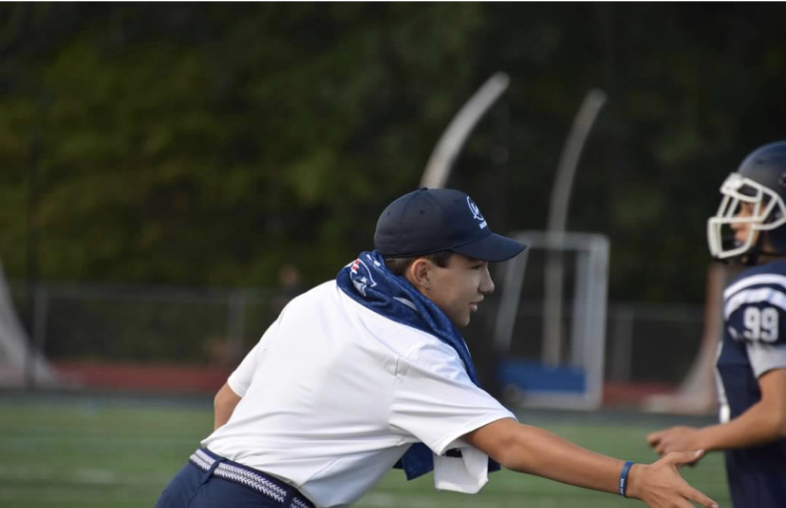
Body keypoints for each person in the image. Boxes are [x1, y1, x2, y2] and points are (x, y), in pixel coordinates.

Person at [156, 188, 718, 508]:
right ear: (423, 273)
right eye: (475, 268)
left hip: (189, 483)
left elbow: (228, 402)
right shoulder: (409, 351)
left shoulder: (325, 294)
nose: (488, 285)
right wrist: (636, 479)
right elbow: (512, 443)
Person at [648, 141, 786, 507]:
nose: (738, 219)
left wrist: (700, 437)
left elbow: (778, 413)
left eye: (748, 205)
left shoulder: (762, 290)